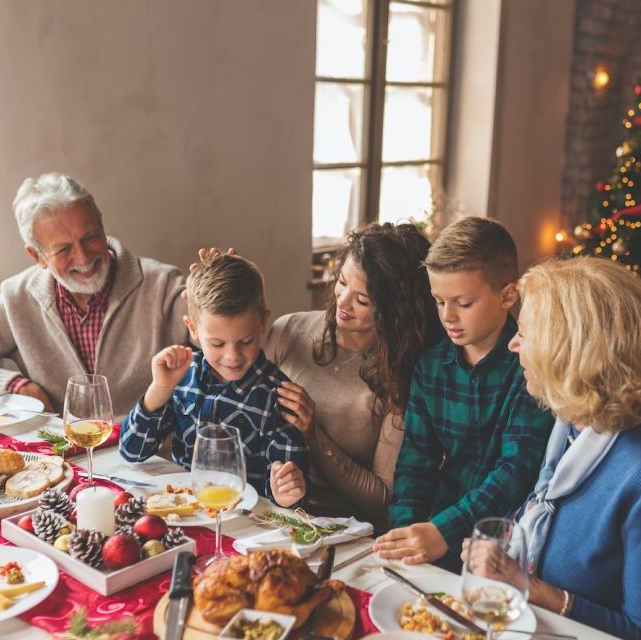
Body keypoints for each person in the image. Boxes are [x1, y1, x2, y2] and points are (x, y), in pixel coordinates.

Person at [466, 257, 641, 640]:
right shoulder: (576, 419)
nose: (513, 343)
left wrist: (531, 588)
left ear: (571, 351)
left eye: (527, 333)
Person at [374, 216, 551, 570]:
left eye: (463, 303)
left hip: (505, 544)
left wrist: (441, 531)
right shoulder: (431, 365)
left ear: (508, 295)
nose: (448, 316)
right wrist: (407, 531)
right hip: (434, 532)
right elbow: (416, 461)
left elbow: (515, 471)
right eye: (439, 301)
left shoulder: (532, 370)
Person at [0, 173, 187, 412]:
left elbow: (215, 331)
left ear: (101, 223)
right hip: (59, 451)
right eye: (64, 249)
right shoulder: (17, 297)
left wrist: (222, 284)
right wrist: (15, 385)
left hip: (146, 455)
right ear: (37, 256)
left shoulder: (162, 284)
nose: (84, 257)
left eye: (90, 237)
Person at [263, 222, 441, 522]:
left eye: (363, 300)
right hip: (267, 510)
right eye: (342, 282)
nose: (342, 302)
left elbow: (383, 500)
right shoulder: (288, 331)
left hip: (342, 530)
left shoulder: (398, 375)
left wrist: (313, 435)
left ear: (394, 310)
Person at [120, 253, 308, 508]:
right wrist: (159, 389)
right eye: (217, 343)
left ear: (263, 321)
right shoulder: (182, 376)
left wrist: (283, 491)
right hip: (184, 510)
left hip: (243, 520)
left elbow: (290, 492)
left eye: (246, 341)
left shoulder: (279, 396)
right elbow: (131, 452)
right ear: (193, 329)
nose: (232, 356)